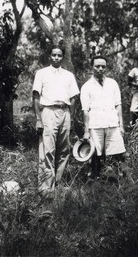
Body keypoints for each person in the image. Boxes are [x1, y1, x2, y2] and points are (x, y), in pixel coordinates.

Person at [32, 45, 80, 199]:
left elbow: (73, 98)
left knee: (64, 150)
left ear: (62, 57)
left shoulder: (68, 75)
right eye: (54, 55)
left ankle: (57, 184)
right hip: (48, 111)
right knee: (47, 150)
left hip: (65, 111)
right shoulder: (41, 73)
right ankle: (46, 189)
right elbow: (36, 97)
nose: (56, 58)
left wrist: (71, 117)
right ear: (50, 56)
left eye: (59, 55)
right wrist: (38, 118)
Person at [80, 56, 126, 179]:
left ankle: (116, 179)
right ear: (92, 67)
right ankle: (95, 180)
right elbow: (85, 111)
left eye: (103, 66)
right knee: (96, 154)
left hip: (112, 123)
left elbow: (118, 105)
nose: (100, 69)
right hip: (96, 125)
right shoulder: (86, 87)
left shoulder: (113, 83)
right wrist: (86, 131)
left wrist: (121, 125)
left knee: (117, 152)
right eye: (97, 66)